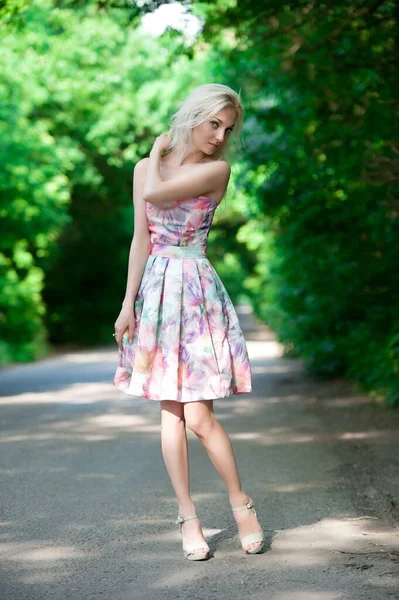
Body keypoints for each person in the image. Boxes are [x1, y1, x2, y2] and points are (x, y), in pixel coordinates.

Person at [112, 83, 264, 561]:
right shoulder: (143, 170)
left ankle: (242, 506)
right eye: (213, 123)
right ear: (193, 116)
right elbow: (142, 239)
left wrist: (157, 151)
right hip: (156, 290)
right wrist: (126, 304)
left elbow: (156, 191)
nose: (220, 136)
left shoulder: (216, 170)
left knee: (199, 415)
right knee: (170, 413)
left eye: (228, 128)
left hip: (195, 290)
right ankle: (187, 518)